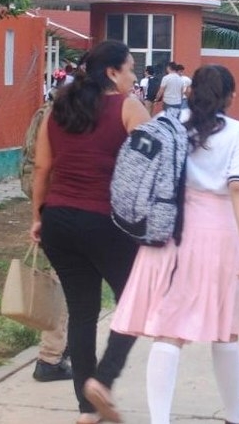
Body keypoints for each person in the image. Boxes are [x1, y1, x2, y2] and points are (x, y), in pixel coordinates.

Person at [110, 64, 239, 424]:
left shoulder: (169, 125)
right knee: (226, 326)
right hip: (219, 234)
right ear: (231, 96)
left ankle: (159, 420)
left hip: (170, 230)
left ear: (188, 90)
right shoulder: (238, 133)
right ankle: (236, 412)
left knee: (169, 330)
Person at [29, 40, 150, 424]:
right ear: (112, 72)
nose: (133, 76)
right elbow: (151, 166)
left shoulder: (58, 110)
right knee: (135, 302)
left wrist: (37, 217)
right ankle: (103, 380)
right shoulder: (129, 108)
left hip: (58, 222)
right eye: (130, 68)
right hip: (106, 222)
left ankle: (86, 410)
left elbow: (41, 170)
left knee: (83, 313)